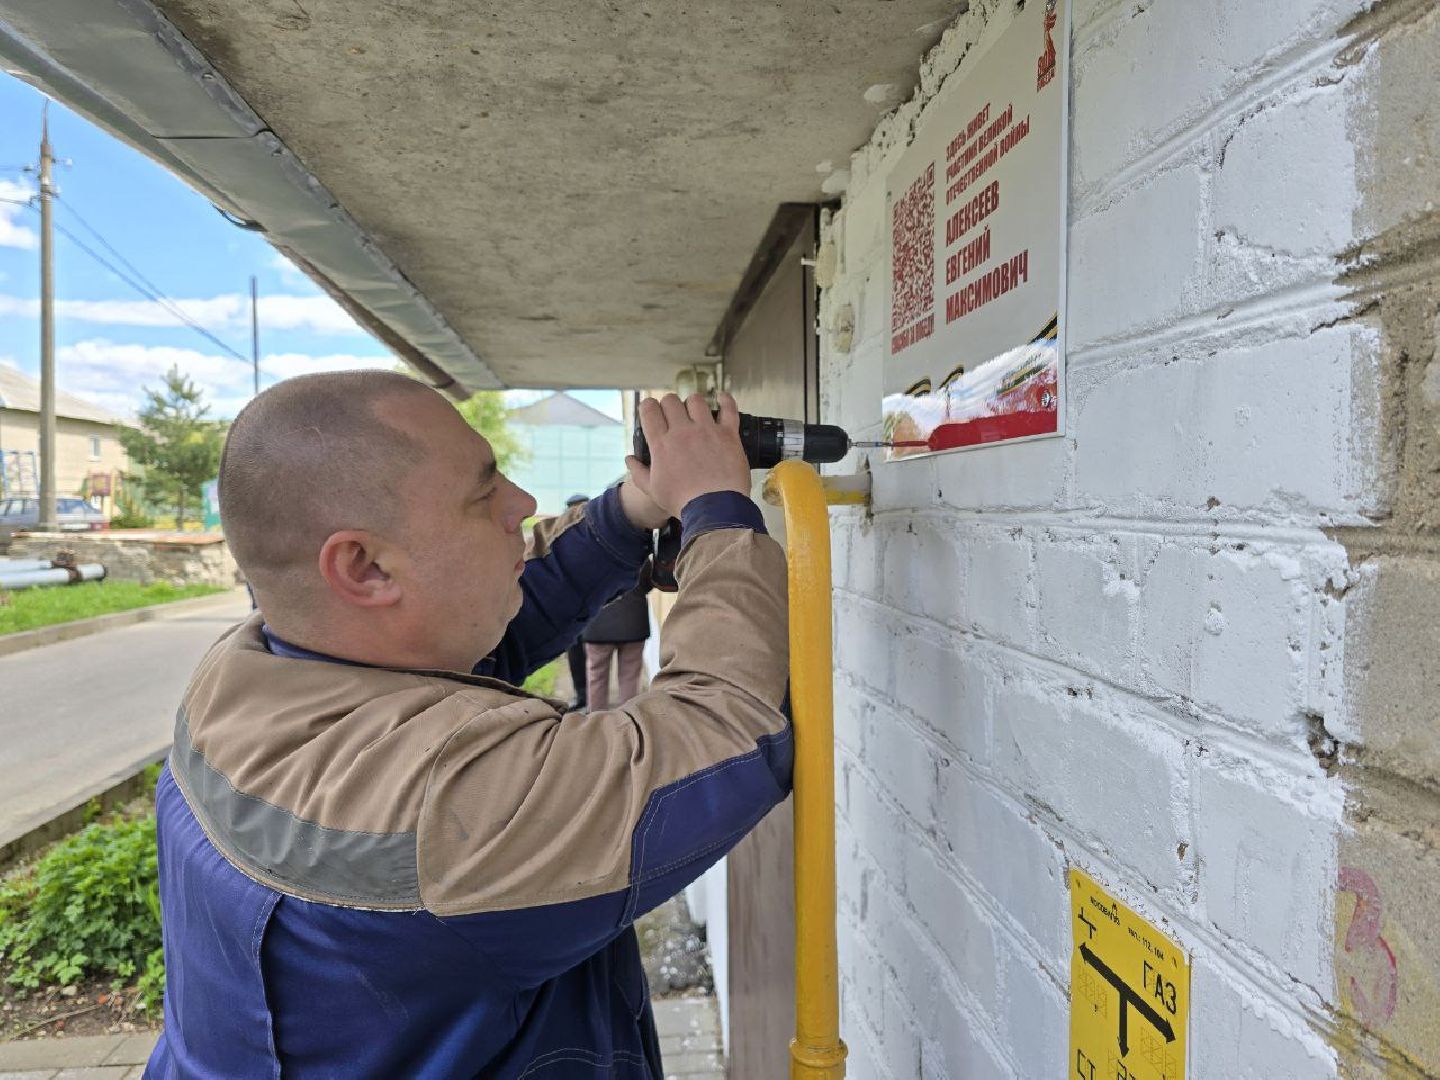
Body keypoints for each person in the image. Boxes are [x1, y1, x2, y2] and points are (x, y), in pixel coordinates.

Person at [144, 373, 790, 1079]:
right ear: (363, 566)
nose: (523, 502)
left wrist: (629, 513)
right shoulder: (436, 806)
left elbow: (490, 609)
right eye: (484, 495)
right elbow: (729, 727)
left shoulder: (250, 673)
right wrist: (717, 511)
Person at [583, 560, 652, 709]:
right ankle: (627, 723)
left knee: (596, 677)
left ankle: (596, 722)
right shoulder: (639, 555)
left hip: (597, 624)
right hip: (633, 624)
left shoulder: (588, 554)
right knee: (630, 678)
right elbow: (649, 583)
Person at [562, 492, 590, 710]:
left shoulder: (596, 534)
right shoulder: (564, 536)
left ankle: (593, 696)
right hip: (571, 608)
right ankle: (581, 694)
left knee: (596, 657)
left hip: (594, 607)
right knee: (575, 654)